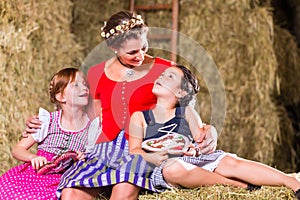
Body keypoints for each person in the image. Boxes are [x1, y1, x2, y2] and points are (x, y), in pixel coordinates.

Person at [23, 11, 218, 200]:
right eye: (132, 52)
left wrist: (209, 130)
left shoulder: (166, 69)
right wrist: (44, 123)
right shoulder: (96, 73)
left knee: (123, 189)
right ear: (114, 48)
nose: (140, 56)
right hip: (103, 149)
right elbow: (89, 118)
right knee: (71, 192)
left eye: (144, 47)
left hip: (142, 148)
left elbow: (187, 110)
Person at [129, 64, 300, 199]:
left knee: (230, 163)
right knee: (172, 169)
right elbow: (134, 150)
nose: (161, 77)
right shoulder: (141, 117)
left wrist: (201, 142)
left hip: (195, 160)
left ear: (180, 92)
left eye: (170, 76)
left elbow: (201, 136)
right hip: (168, 165)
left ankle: (291, 182)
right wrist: (150, 157)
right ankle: (238, 186)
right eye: (162, 74)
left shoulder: (186, 112)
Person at [0, 68, 93, 199]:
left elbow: (94, 156)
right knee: (7, 188)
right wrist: (32, 157)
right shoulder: (47, 120)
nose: (84, 88)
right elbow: (17, 149)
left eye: (85, 84)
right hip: (37, 172)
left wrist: (83, 157)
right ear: (61, 96)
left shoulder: (92, 127)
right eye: (76, 85)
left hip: (62, 177)